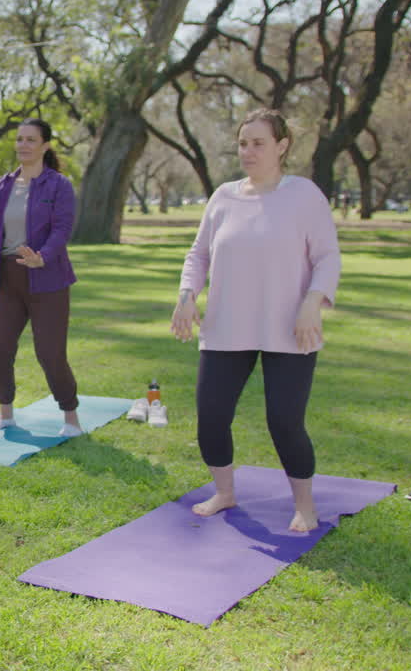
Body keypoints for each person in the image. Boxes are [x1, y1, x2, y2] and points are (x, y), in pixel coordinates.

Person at [171, 108, 341, 533]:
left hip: (290, 327)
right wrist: (186, 296)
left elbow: (327, 257)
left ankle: (304, 504)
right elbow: (199, 254)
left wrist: (312, 302)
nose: (248, 151)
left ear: (282, 146)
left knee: (284, 421)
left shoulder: (303, 195)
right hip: (228, 326)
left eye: (258, 143)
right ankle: (225, 491)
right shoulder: (224, 197)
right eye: (243, 143)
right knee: (210, 417)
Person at [0, 118, 81, 436]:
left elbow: (62, 229)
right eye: (19, 140)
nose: (23, 145)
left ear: (45, 145)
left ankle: (71, 419)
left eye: (30, 140)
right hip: (9, 281)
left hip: (48, 280)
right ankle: (5, 414)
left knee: (50, 354)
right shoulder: (2, 186)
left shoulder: (58, 185)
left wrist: (42, 256)